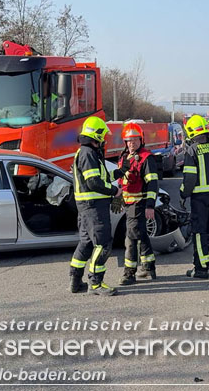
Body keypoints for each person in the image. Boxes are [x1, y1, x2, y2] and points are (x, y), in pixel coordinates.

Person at [70, 116, 121, 296]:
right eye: (103, 136)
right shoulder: (88, 154)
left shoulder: (86, 153)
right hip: (94, 207)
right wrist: (115, 191)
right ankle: (96, 283)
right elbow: (94, 183)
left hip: (86, 207)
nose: (104, 140)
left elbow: (100, 178)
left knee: (86, 243)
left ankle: (75, 282)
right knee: (103, 244)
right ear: (96, 135)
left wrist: (120, 171)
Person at [180, 115, 209, 278]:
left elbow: (190, 179)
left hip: (199, 197)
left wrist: (183, 193)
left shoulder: (192, 150)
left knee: (199, 231)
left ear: (191, 131)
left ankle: (200, 268)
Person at [115, 122, 160, 285]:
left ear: (141, 140)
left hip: (139, 204)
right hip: (128, 204)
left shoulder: (146, 158)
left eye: (134, 140)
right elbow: (123, 180)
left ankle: (129, 273)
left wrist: (150, 205)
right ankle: (149, 266)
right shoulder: (124, 156)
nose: (131, 143)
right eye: (128, 140)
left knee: (131, 238)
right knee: (140, 234)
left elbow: (153, 184)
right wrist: (119, 195)